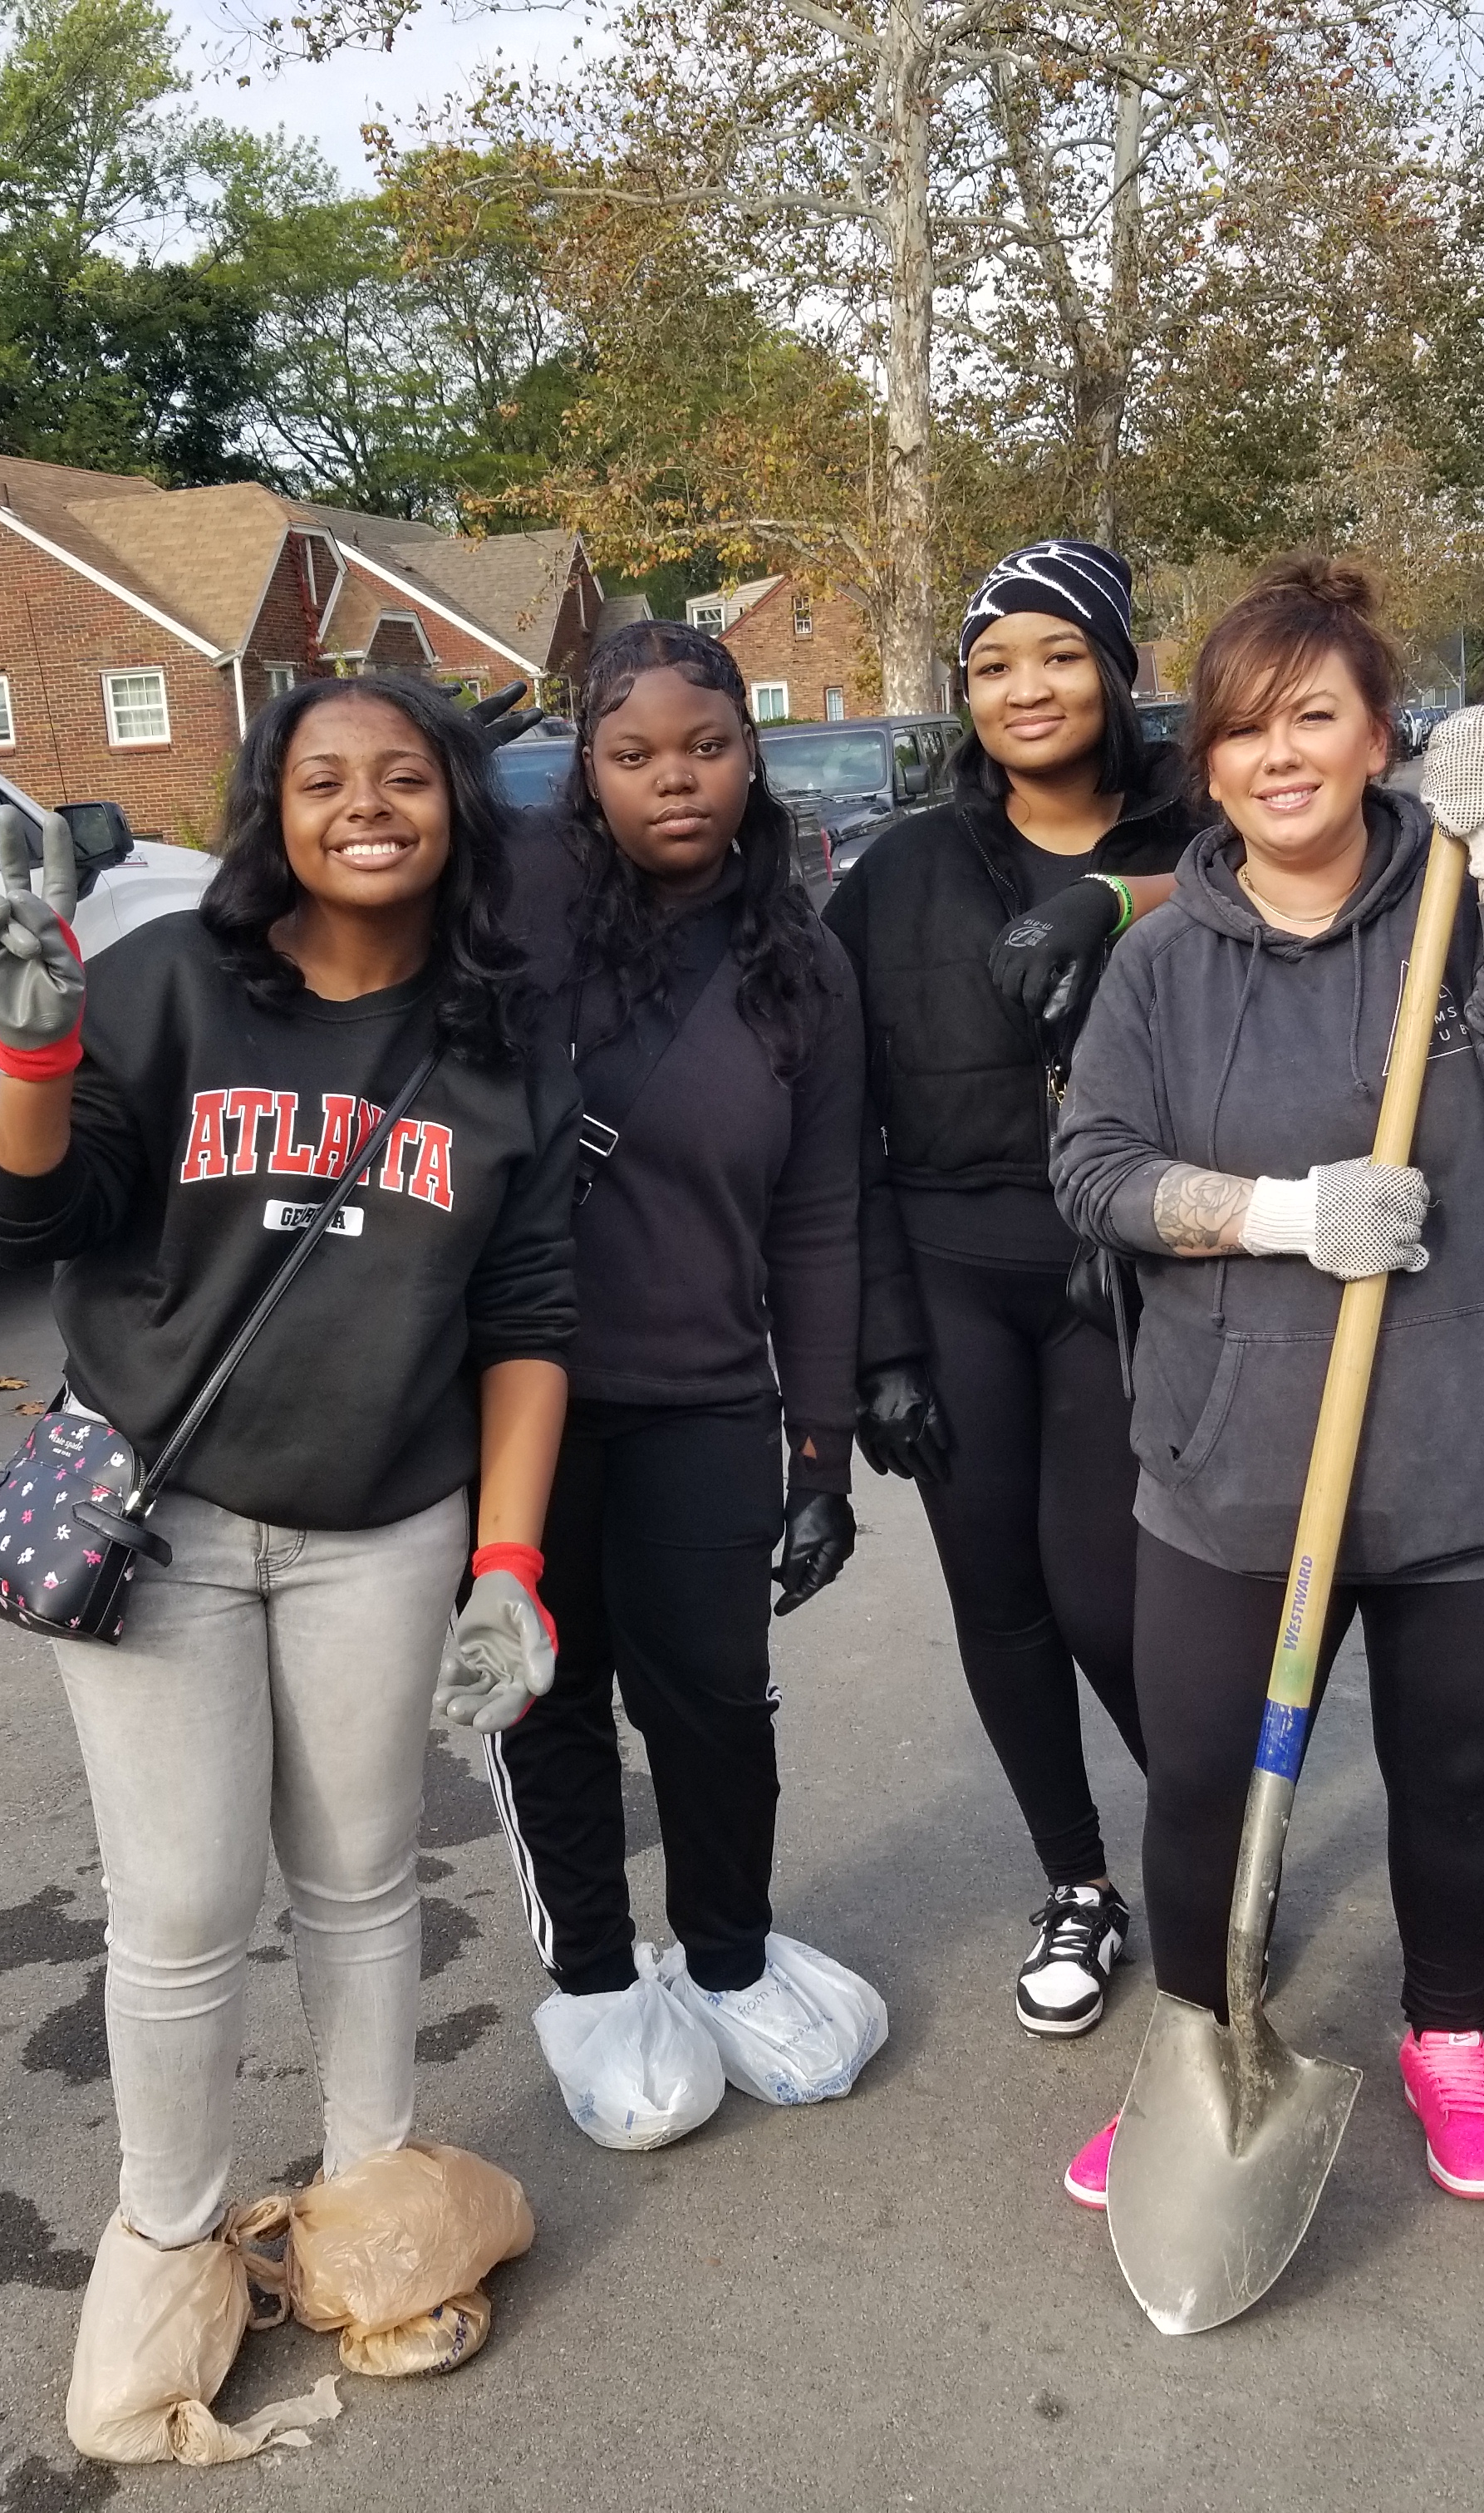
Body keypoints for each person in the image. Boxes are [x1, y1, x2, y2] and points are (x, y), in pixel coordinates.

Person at [0, 674, 575, 2424]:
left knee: (366, 1879)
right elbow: (29, 1219)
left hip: (385, 1524)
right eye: (323, 778)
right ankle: (168, 2240)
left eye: (405, 776)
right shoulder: (163, 986)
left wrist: (509, 1568)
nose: (365, 804)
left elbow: (531, 1317)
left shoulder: (500, 1041)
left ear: (457, 808)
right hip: (155, 1523)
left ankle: (372, 2206)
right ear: (271, 808)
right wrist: (33, 1053)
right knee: (177, 1908)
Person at [1049, 555, 1484, 2211]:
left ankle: (1448, 2036)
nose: (1278, 756)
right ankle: (1194, 2042)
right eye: (1244, 729)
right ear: (1208, 762)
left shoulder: (1461, 906)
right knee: (1205, 1786)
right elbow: (1092, 1170)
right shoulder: (1166, 963)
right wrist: (1275, 1215)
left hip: (1479, 1458)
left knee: (1460, 1782)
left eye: (1315, 715)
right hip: (1240, 1462)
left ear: (1383, 733)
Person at [488, 621, 884, 2114]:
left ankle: (728, 1952)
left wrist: (822, 1449)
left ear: (753, 755)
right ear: (584, 768)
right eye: (634, 752)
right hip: (514, 1402)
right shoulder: (520, 906)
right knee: (542, 1694)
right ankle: (591, 1983)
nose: (677, 780)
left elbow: (823, 1215)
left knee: (716, 1701)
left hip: (708, 1398)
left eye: (709, 747)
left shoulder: (805, 973)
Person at [821, 539, 1199, 2038]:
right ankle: (1079, 1882)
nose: (1026, 688)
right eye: (992, 665)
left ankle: (1208, 1842)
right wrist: (872, 1336)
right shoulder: (907, 870)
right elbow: (833, 1116)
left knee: (1113, 1601)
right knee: (1002, 1597)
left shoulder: (1214, 826)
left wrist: (1119, 900)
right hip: (951, 1272)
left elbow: (1325, 884)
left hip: (1135, 1267)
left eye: (1057, 654)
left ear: (1113, 668)